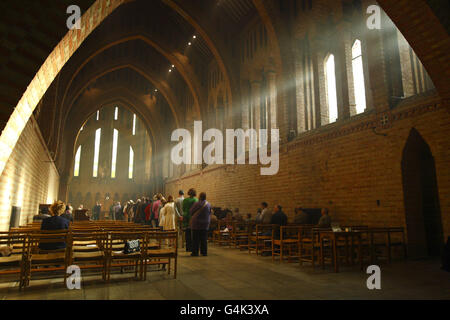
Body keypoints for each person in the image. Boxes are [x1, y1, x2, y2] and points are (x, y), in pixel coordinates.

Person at [190, 192, 211, 257]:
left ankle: (195, 253)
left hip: (197, 223)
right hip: (205, 223)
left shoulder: (197, 203)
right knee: (204, 239)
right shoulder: (208, 204)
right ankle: (204, 252)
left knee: (196, 239)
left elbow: (191, 211)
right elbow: (210, 212)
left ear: (200, 197)